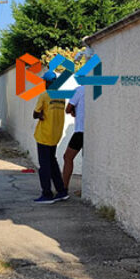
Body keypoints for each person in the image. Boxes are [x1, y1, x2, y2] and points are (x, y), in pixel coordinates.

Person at [33, 71, 69, 204]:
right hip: (55, 135)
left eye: (45, 82)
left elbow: (35, 114)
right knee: (53, 163)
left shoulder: (44, 95)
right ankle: (61, 191)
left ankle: (47, 194)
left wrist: (41, 115)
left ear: (47, 82)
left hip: (44, 135)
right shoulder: (62, 97)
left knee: (44, 166)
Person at [63, 85, 84, 191]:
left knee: (67, 157)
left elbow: (68, 109)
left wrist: (73, 111)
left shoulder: (79, 89)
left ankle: (64, 188)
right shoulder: (96, 88)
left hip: (80, 131)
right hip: (93, 131)